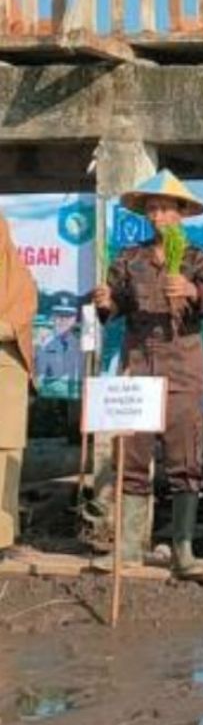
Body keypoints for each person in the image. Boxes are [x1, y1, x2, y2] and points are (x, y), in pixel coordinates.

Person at [93, 170, 203, 575]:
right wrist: (104, 301)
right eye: (153, 208)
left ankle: (183, 550)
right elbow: (111, 310)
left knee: (185, 457)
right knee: (132, 455)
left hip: (184, 365)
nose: (159, 215)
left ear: (181, 212)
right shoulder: (129, 258)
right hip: (138, 364)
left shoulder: (198, 259)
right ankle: (129, 548)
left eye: (166, 208)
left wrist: (192, 291)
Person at [0, 210, 37, 558]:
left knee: (5, 453)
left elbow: (18, 319)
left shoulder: (17, 276)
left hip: (5, 371)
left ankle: (2, 537)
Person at [36, 295, 83, 394]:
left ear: (75, 319)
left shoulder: (82, 344)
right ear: (53, 317)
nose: (63, 320)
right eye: (59, 315)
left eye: (68, 316)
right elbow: (38, 376)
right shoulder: (43, 343)